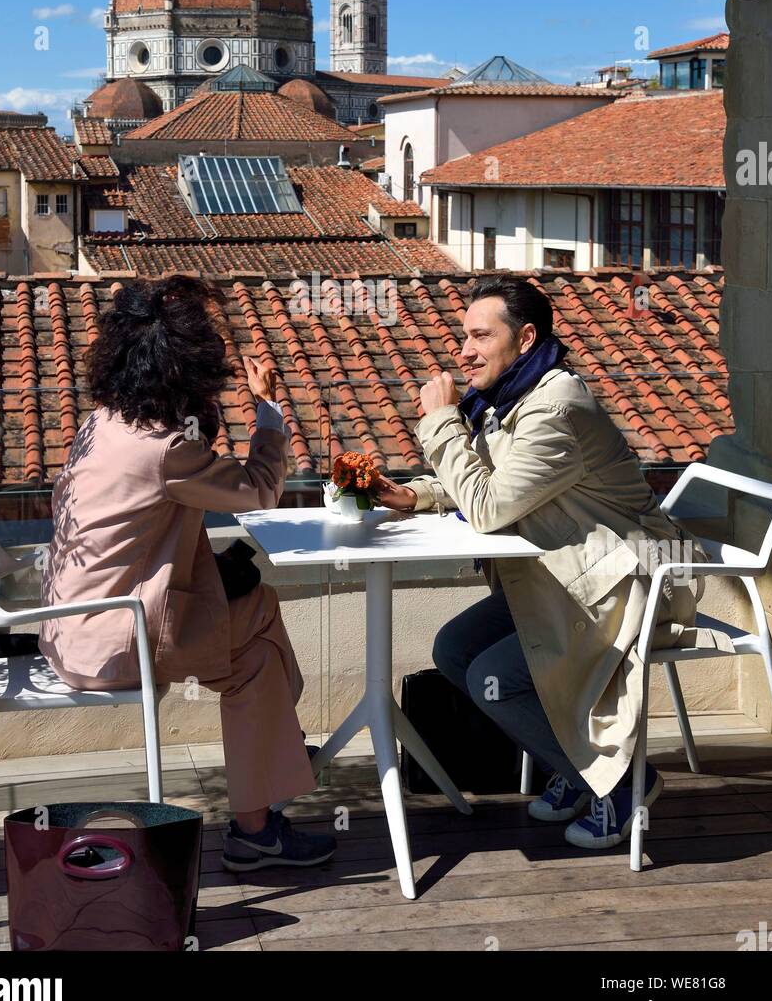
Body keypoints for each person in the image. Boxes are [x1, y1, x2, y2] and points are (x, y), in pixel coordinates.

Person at [375, 274, 704, 850]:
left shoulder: (556, 406)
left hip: (625, 582)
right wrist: (417, 495)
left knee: (493, 679)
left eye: (480, 336)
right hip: (562, 576)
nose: (464, 350)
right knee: (453, 649)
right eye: (463, 336)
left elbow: (489, 505)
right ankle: (577, 770)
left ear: (524, 338)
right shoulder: (514, 398)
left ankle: (623, 786)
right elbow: (494, 480)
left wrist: (438, 421)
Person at [39, 274, 335, 873]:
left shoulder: (103, 423)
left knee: (253, 631)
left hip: (68, 626)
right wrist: (268, 412)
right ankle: (258, 817)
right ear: (188, 368)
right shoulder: (166, 448)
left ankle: (270, 766)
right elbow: (259, 490)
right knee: (256, 644)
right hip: (114, 641)